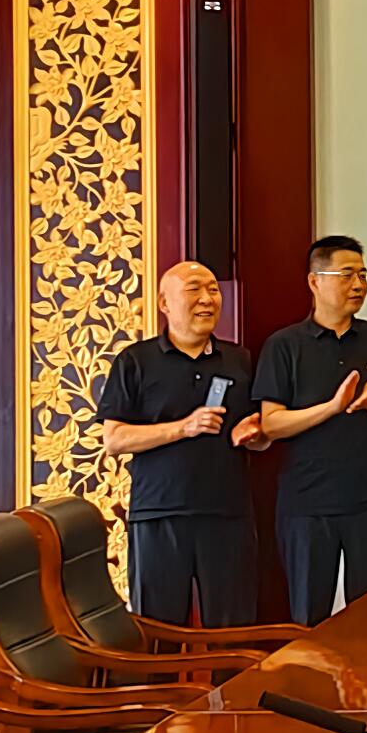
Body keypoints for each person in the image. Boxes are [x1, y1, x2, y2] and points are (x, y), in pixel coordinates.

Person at [97, 261, 269, 627]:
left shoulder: (239, 359)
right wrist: (183, 428)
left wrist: (256, 435)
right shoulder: (136, 361)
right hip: (159, 515)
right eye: (194, 289)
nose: (207, 299)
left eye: (213, 290)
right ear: (164, 303)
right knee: (159, 631)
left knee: (234, 628)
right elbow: (114, 439)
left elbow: (257, 438)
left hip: (227, 515)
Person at [254, 236, 367, 626]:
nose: (358, 285)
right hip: (307, 506)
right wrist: (331, 408)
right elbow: (271, 423)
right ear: (314, 281)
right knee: (309, 618)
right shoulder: (284, 345)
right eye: (346, 275)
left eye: (363, 275)